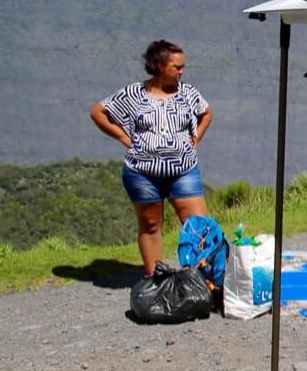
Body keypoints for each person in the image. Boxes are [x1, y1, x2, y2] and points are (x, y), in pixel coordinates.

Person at [89, 40, 214, 276]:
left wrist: (195, 138)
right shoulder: (134, 93)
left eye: (183, 66)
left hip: (183, 169)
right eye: (176, 66)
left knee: (198, 226)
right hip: (143, 173)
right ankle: (154, 278)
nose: (181, 71)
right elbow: (98, 112)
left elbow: (206, 112)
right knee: (150, 225)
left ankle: (203, 278)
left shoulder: (187, 93)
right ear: (158, 65)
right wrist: (123, 138)